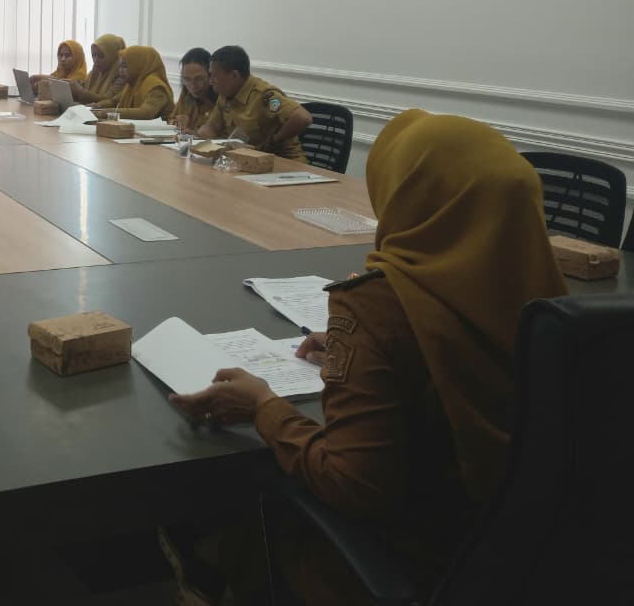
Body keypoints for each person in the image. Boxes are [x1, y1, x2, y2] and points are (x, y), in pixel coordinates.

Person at [166, 110, 567, 604]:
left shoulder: (375, 305)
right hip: (532, 556)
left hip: (417, 561)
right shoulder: (554, 301)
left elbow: (352, 484)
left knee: (253, 483)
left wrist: (263, 407)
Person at [198, 46, 311, 162]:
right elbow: (212, 126)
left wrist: (274, 141)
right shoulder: (225, 94)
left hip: (283, 162)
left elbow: (302, 118)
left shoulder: (264, 96)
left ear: (233, 76)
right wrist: (207, 138)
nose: (210, 81)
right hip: (247, 161)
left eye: (214, 76)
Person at [92, 46, 174, 120]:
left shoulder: (156, 86)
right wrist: (97, 106)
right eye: (120, 66)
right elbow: (114, 101)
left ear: (138, 65)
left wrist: (107, 112)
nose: (120, 70)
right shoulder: (133, 83)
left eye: (125, 66)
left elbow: (146, 113)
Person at [69, 33, 127, 105]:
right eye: (93, 55)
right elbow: (83, 85)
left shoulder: (122, 75)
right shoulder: (95, 72)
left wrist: (80, 91)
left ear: (113, 56)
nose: (96, 60)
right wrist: (70, 86)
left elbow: (108, 99)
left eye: (101, 56)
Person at [168, 47, 216, 133]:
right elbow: (171, 120)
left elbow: (225, 137)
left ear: (210, 76)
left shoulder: (221, 97)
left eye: (198, 79)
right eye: (187, 79)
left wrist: (196, 135)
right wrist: (176, 123)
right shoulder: (186, 93)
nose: (192, 85)